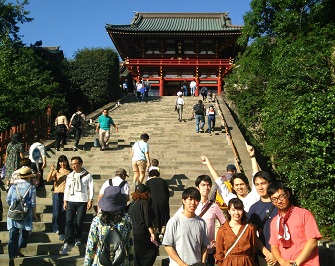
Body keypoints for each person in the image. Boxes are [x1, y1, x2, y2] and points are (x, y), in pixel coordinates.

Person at [176, 175, 226, 266]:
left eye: (208, 185)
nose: (206, 188)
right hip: (191, 250)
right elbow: (177, 221)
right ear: (197, 187)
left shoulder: (214, 207)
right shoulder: (190, 205)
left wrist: (218, 241)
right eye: (203, 185)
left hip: (208, 250)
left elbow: (225, 224)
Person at [268, 181, 322, 266]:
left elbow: (312, 242)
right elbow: (274, 246)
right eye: (274, 199)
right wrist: (282, 261)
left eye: (281, 196)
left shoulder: (304, 214)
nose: (278, 201)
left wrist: (296, 264)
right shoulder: (275, 221)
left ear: (288, 194)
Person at [84, 185, 135, 266]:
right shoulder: (126, 219)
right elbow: (130, 244)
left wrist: (87, 264)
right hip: (121, 261)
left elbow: (91, 246)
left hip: (101, 261)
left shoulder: (97, 220)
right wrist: (131, 263)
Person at [163, 187, 209, 266]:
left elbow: (204, 246)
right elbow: (167, 246)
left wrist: (203, 262)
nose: (193, 203)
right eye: (190, 199)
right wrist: (182, 264)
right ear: (183, 201)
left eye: (196, 200)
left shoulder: (201, 223)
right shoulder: (174, 221)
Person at [61, 156, 94, 254]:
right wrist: (65, 200)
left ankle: (77, 238)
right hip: (71, 199)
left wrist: (90, 200)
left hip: (82, 200)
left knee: (79, 221)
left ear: (80, 164)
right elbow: (67, 188)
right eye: (72, 164)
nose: (73, 166)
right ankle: (67, 241)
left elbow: (91, 188)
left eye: (75, 163)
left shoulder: (87, 175)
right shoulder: (70, 175)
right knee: (69, 221)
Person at [6, 168, 37, 266]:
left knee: (13, 235)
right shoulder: (31, 187)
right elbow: (33, 203)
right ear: (28, 177)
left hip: (13, 213)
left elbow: (8, 199)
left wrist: (14, 205)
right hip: (25, 214)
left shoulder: (13, 186)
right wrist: (34, 214)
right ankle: (18, 248)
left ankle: (11, 256)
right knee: (24, 232)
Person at [215, 198, 258, 266]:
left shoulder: (249, 228)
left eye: (239, 209)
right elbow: (219, 252)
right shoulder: (222, 230)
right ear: (228, 211)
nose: (237, 213)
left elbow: (253, 250)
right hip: (228, 263)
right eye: (233, 210)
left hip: (246, 262)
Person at [248, 170, 278, 266]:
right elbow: (253, 234)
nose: (260, 187)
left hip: (283, 253)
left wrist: (276, 254)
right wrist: (267, 253)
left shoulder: (280, 204)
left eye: (263, 183)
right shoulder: (254, 208)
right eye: (257, 184)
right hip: (265, 255)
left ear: (270, 184)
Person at [128, 184, 158, 266]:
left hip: (133, 231)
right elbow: (147, 219)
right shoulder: (144, 203)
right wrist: (152, 233)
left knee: (137, 255)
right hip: (142, 232)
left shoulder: (132, 204)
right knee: (152, 251)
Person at [46, 155, 71, 241]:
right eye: (60, 162)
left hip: (67, 194)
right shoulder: (57, 171)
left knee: (64, 213)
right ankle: (55, 227)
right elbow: (48, 179)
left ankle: (62, 230)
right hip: (57, 193)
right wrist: (51, 170)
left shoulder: (70, 172)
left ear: (67, 162)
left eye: (64, 161)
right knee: (56, 212)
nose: (62, 163)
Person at [145, 169, 170, 243]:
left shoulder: (148, 182)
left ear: (150, 175)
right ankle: (162, 232)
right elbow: (167, 192)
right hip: (164, 200)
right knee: (164, 216)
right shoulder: (163, 181)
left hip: (154, 201)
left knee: (154, 216)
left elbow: (147, 194)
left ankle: (155, 233)